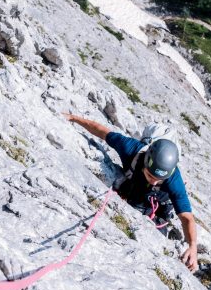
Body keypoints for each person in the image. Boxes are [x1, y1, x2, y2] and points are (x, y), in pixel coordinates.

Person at [63, 113, 198, 272]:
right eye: (150, 175)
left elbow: (187, 217)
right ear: (146, 160)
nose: (153, 181)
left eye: (158, 179)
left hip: (158, 202)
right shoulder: (130, 148)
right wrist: (73, 118)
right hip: (133, 185)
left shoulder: (174, 180)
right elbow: (102, 131)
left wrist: (193, 246)